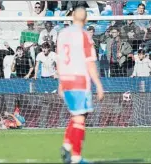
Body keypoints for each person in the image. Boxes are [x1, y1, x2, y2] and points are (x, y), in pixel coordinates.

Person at [56, 7, 104, 163]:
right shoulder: (84, 35)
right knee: (80, 118)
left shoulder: (62, 34)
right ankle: (76, 157)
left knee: (80, 114)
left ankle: (67, 145)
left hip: (66, 78)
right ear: (86, 20)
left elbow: (60, 59)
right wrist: (98, 84)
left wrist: (61, 82)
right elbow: (90, 62)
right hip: (79, 79)